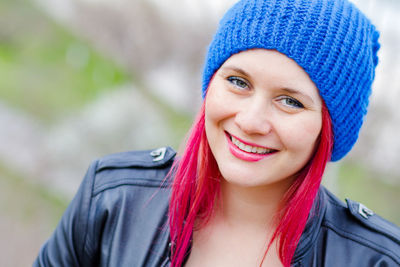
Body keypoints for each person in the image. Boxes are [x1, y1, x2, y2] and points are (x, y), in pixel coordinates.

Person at [34, 0, 400, 266]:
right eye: (238, 81)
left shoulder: (376, 260)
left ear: (329, 128)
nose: (251, 120)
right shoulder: (113, 198)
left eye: (290, 101)